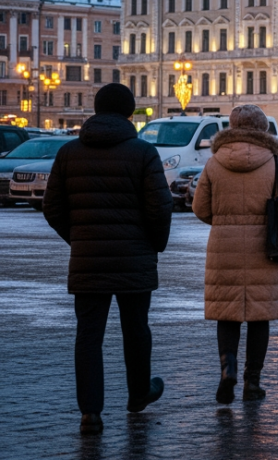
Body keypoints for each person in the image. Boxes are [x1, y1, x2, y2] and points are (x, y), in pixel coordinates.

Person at [42, 83, 172, 434]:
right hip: (135, 258)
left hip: (88, 258)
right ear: (130, 113)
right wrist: (154, 245)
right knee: (136, 329)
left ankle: (91, 413)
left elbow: (52, 207)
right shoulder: (143, 153)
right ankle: (138, 394)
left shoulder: (69, 153)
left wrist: (79, 239)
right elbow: (160, 208)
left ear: (96, 110)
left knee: (88, 335)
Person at [192, 104, 278, 404]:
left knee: (226, 315)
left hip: (223, 247)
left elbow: (200, 208)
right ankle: (253, 382)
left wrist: (225, 222)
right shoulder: (275, 163)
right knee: (258, 317)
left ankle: (228, 368)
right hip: (265, 247)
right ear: (263, 128)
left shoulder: (214, 162)